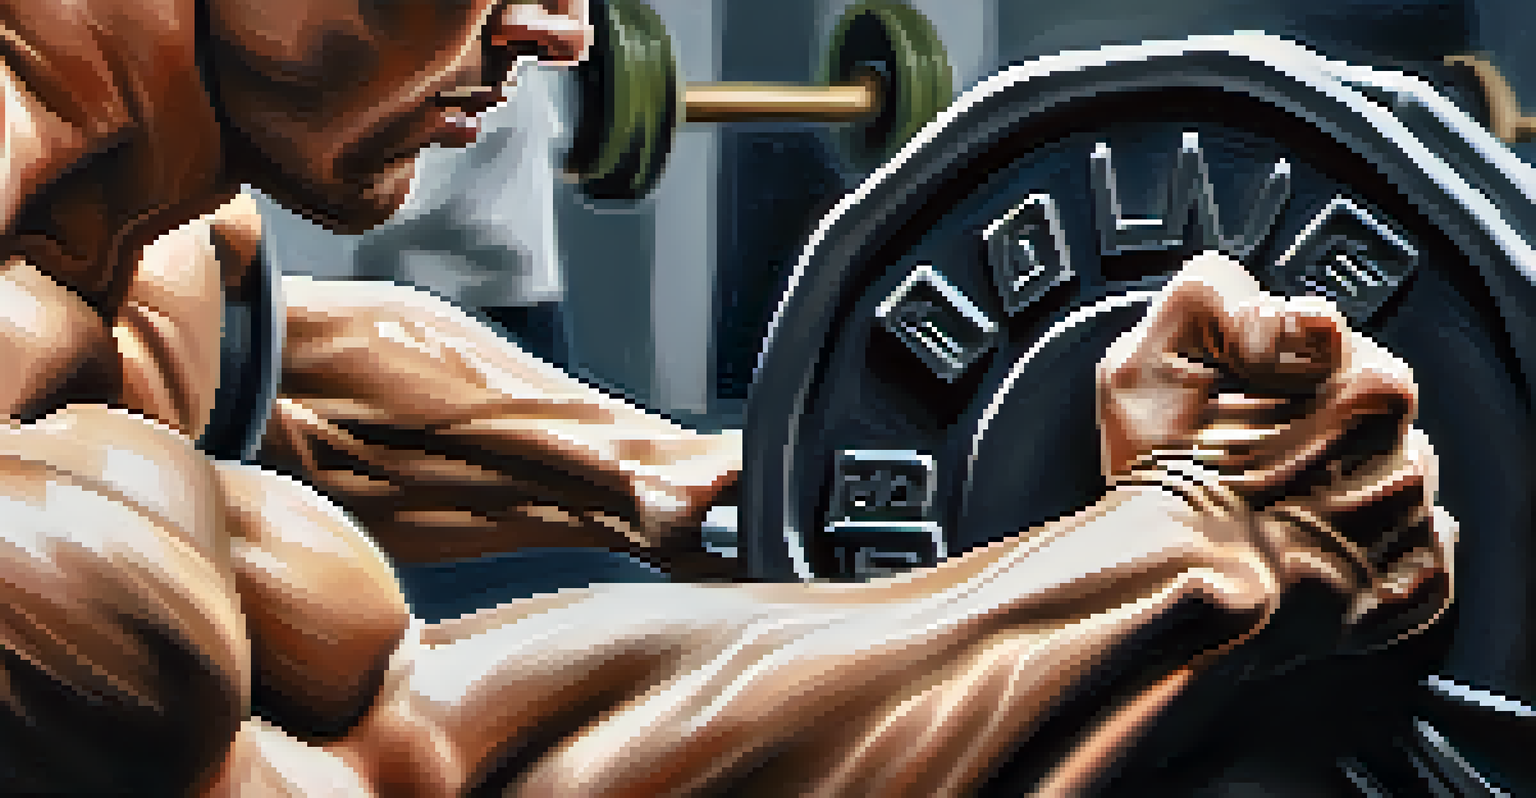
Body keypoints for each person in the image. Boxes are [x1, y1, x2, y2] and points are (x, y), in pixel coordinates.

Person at [0, 0, 1451, 794]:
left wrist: (675, 480)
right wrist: (1202, 553)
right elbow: (404, 771)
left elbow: (264, 370)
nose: (566, 30)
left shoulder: (129, 209)